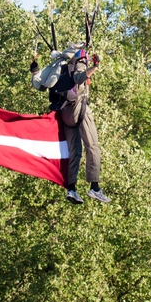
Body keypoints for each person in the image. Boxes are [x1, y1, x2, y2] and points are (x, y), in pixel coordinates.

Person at [31, 48, 107, 204]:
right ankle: (94, 186)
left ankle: (71, 189)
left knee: (74, 152)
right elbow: (79, 78)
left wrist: (34, 71)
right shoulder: (78, 65)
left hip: (65, 114)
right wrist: (95, 66)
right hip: (80, 110)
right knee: (92, 146)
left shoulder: (59, 69)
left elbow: (40, 83)